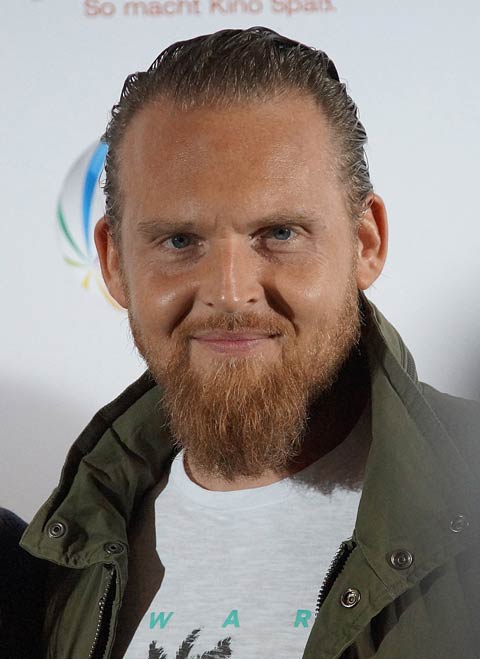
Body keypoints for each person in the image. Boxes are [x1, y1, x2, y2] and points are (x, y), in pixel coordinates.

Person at [19, 26, 480, 659]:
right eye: (180, 241)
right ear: (114, 263)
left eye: (280, 233)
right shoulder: (50, 569)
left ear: (365, 243)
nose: (231, 293)